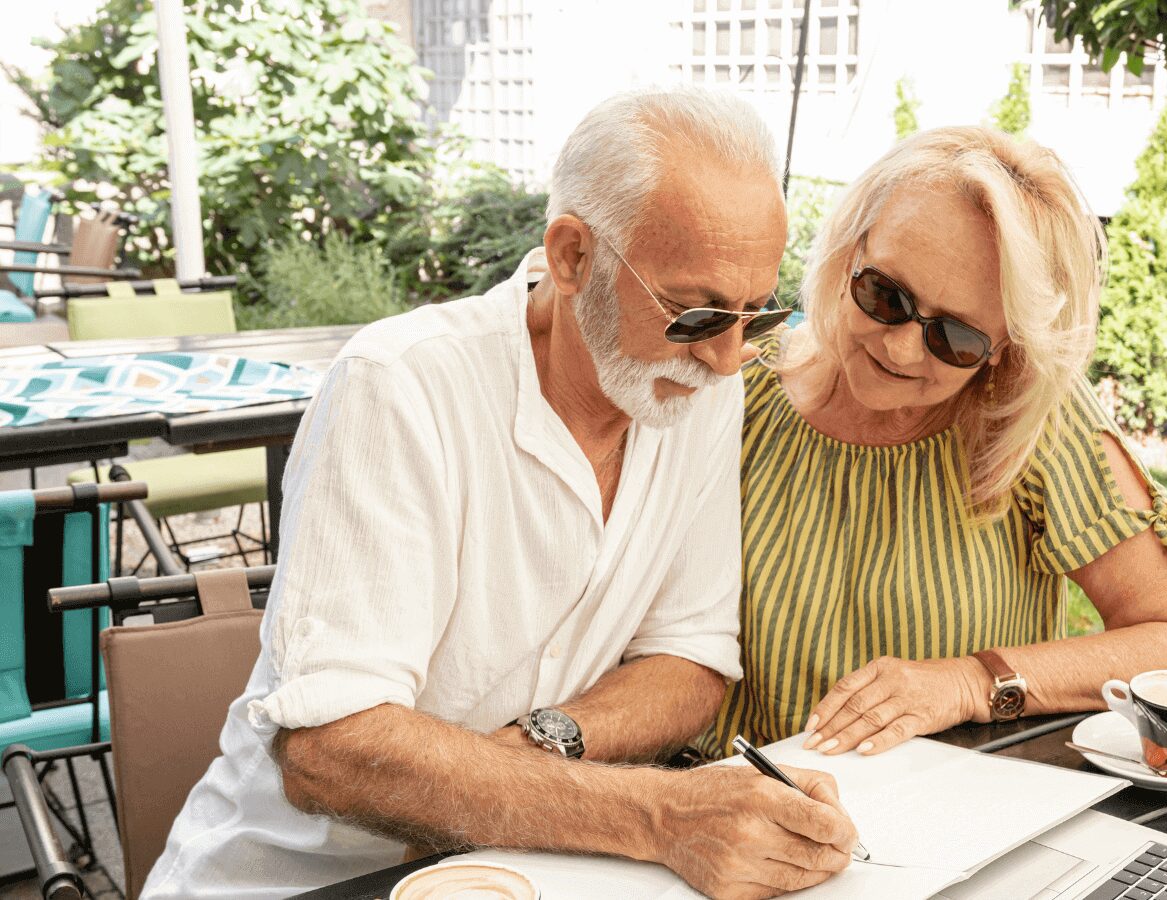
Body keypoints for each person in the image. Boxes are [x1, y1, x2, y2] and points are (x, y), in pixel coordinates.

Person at [143, 87, 856, 900]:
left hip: (530, 869)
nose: (728, 359)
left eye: (754, 316)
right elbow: (329, 750)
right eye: (694, 315)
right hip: (307, 880)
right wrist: (657, 815)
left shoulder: (698, 386)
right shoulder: (400, 388)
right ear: (572, 255)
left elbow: (691, 659)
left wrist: (535, 752)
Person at [700, 126, 1167, 759]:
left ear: (1006, 347)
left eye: (955, 337)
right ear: (851, 251)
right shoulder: (735, 389)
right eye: (885, 296)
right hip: (735, 805)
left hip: (955, 818)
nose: (898, 347)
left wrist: (970, 681)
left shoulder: (1029, 413)